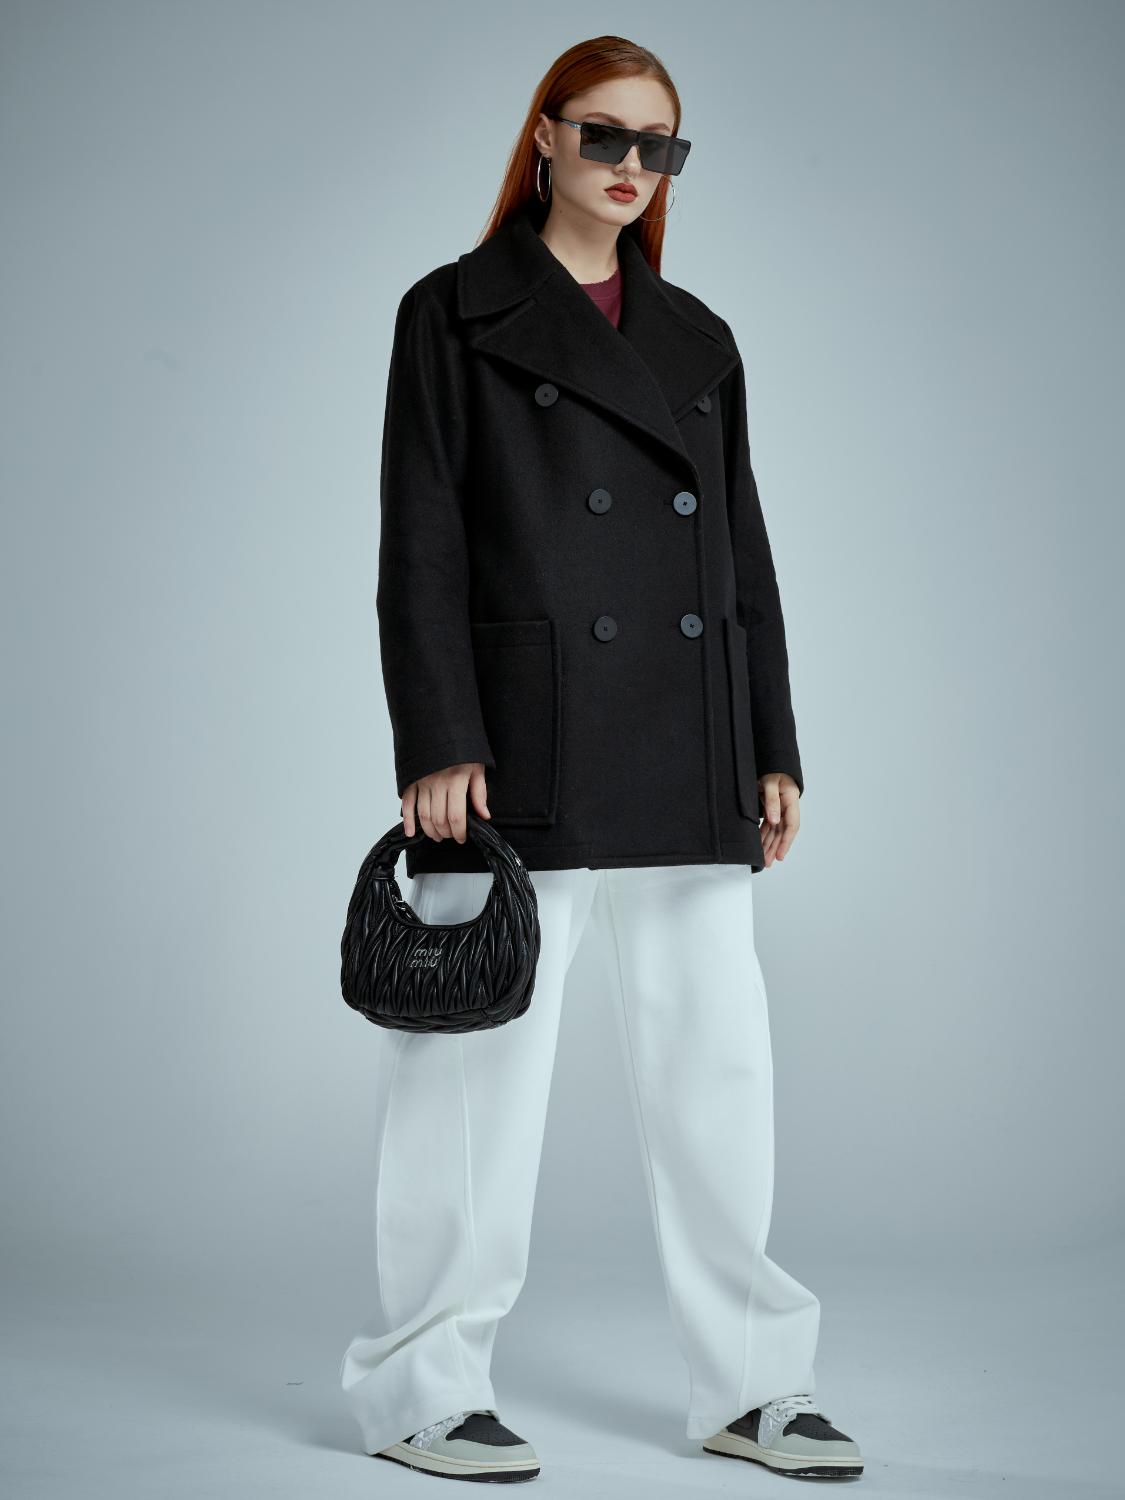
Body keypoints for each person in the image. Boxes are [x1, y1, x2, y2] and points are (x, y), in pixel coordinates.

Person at [339, 34, 863, 1484]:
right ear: (545, 136)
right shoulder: (453, 312)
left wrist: (770, 740)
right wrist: (437, 732)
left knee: (719, 1071)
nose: (633, 167)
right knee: (471, 1077)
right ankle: (422, 1391)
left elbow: (741, 551)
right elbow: (419, 537)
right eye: (605, 136)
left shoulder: (698, 337)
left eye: (660, 146)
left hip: (689, 738)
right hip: (521, 738)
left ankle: (755, 1386)